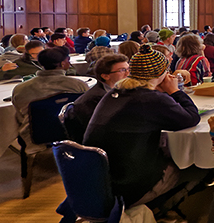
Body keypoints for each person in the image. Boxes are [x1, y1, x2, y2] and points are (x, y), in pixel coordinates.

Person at [84, 45, 206, 213]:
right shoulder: (149, 99)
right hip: (129, 187)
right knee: (198, 167)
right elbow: (191, 118)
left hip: (98, 183)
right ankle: (164, 211)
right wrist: (174, 91)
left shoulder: (116, 92)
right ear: (163, 73)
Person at [11, 47, 89, 154]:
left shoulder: (21, 89)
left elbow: (20, 115)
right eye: (68, 60)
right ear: (62, 64)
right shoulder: (79, 85)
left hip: (36, 135)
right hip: (72, 132)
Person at [63, 54, 128, 143]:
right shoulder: (96, 99)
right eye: (122, 70)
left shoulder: (114, 91)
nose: (128, 73)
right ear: (105, 76)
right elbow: (98, 132)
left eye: (128, 69)